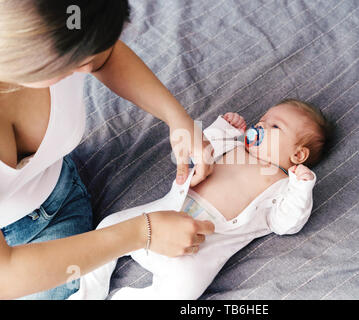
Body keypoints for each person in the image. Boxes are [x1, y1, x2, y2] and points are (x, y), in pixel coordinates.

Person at [0, 0, 215, 300]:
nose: (88, 67)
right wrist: (143, 232)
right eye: (72, 62)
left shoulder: (72, 24)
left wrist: (177, 119)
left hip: (61, 201)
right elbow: (5, 275)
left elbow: (105, 56)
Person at [71, 99, 332, 300]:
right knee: (109, 225)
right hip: (163, 215)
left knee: (184, 290)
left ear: (298, 155)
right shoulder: (235, 146)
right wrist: (224, 128)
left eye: (275, 126)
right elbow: (200, 152)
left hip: (200, 247)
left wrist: (301, 187)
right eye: (262, 120)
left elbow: (286, 224)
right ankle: (87, 292)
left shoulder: (284, 186)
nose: (260, 126)